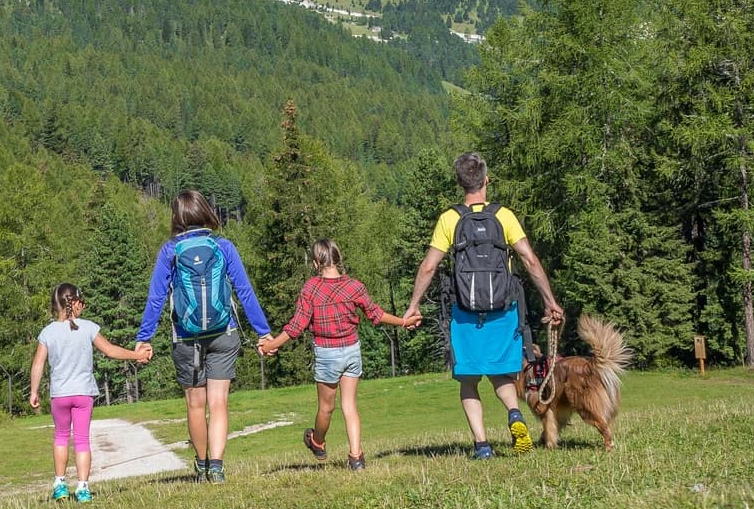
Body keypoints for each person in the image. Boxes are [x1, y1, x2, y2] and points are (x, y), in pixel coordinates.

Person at [405, 152, 564, 459]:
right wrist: (550, 301)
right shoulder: (504, 216)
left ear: (459, 182)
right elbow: (530, 260)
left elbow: (428, 267)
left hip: (465, 313)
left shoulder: (450, 219)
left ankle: (482, 446)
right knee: (501, 375)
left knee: (468, 380)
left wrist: (414, 305)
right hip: (503, 310)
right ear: (486, 179)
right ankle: (514, 414)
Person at [133, 190, 272, 484]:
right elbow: (244, 291)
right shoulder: (223, 246)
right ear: (206, 211)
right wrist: (264, 332)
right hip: (224, 332)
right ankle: (217, 468)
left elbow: (156, 297)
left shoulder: (170, 251)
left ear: (177, 217)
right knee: (218, 402)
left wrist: (144, 337)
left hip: (186, 337)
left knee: (195, 404)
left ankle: (201, 465)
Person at [258, 239, 417, 470]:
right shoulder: (354, 286)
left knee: (326, 408)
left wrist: (271, 346)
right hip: (352, 350)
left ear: (315, 263)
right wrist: (403, 322)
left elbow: (297, 326)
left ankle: (317, 442)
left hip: (327, 353)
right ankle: (356, 457)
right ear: (338, 259)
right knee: (349, 406)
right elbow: (376, 314)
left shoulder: (311, 288)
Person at [28, 282, 150, 502]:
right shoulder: (88, 328)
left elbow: (38, 364)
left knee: (61, 437)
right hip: (83, 394)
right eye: (82, 302)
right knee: (82, 440)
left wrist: (34, 391)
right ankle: (83, 488)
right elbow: (110, 351)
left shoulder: (47, 332)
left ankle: (60, 484)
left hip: (60, 395)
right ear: (75, 303)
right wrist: (137, 355)